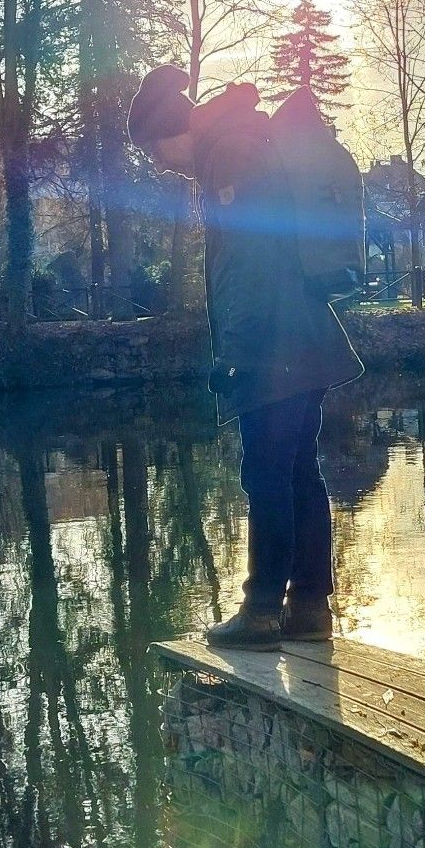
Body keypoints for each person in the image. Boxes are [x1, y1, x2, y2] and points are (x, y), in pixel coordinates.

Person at [127, 65, 363, 648]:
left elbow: (244, 265)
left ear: (174, 131)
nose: (161, 163)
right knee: (298, 471)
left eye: (156, 150)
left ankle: (261, 611)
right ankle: (309, 608)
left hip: (273, 345)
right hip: (302, 336)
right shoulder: (241, 146)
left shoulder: (230, 156)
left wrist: (235, 353)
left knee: (265, 473)